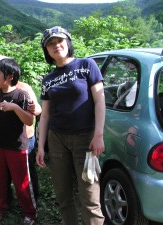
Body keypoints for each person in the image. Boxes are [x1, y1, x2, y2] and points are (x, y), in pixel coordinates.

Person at [36, 26, 105, 225]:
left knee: (90, 197)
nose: (56, 45)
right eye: (50, 44)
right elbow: (46, 115)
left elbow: (100, 100)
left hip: (85, 139)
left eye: (60, 41)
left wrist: (98, 133)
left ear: (68, 43)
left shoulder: (86, 65)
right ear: (46, 50)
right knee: (63, 195)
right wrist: (41, 146)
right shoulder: (48, 80)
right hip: (57, 140)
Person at [0, 58, 37, 225]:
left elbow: (29, 121)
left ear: (9, 76)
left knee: (22, 181)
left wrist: (14, 108)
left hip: (17, 146)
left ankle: (29, 213)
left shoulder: (21, 94)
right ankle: (0, 209)